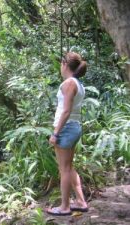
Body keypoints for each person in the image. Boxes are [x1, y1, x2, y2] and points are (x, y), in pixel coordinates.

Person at [47, 52, 88, 216]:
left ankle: (64, 207)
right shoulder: (77, 83)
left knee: (63, 169)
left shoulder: (69, 83)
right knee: (69, 167)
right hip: (73, 126)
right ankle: (80, 201)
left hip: (66, 128)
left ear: (65, 64)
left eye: (61, 63)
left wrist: (55, 134)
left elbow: (66, 111)